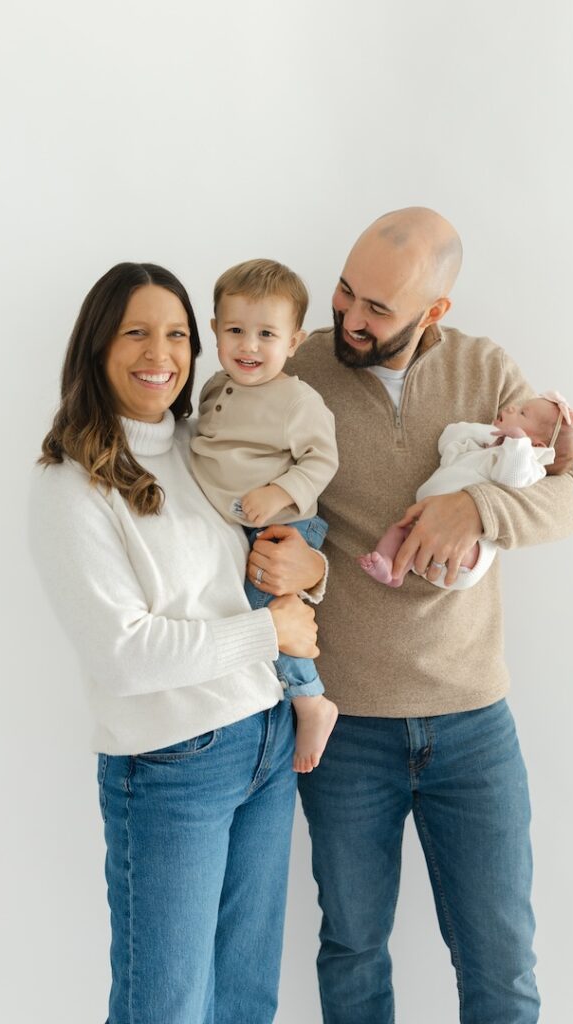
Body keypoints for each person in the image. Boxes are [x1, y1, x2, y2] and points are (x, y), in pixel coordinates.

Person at [256, 208, 573, 1023]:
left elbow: (568, 498)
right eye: (344, 293)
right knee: (353, 950)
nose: (348, 320)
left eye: (376, 310)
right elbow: (244, 508)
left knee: (500, 964)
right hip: (345, 729)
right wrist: (296, 562)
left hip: (474, 723)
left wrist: (475, 507)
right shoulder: (297, 372)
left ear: (433, 312)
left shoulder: (484, 369)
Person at [28, 262, 325, 1024]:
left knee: (244, 999)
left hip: (265, 739)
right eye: (136, 332)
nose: (159, 352)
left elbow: (267, 559)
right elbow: (122, 656)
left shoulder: (205, 445)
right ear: (97, 347)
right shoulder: (73, 484)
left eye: (177, 334)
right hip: (172, 767)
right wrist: (269, 631)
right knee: (164, 1007)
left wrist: (310, 568)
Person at [190, 258, 339, 773]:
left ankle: (310, 699)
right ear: (214, 331)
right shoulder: (212, 389)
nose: (249, 346)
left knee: (265, 609)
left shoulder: (297, 400)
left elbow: (322, 459)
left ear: (293, 342)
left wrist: (279, 489)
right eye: (235, 330)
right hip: (238, 526)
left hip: (284, 527)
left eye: (266, 334)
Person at [359, 390, 573, 590]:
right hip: (421, 521)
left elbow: (514, 479)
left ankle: (419, 561)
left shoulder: (529, 466)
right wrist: (488, 434)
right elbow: (449, 438)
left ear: (536, 447)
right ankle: (391, 569)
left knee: (441, 544)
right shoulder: (486, 447)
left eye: (523, 413)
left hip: (470, 554)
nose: (513, 407)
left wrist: (517, 445)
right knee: (400, 531)